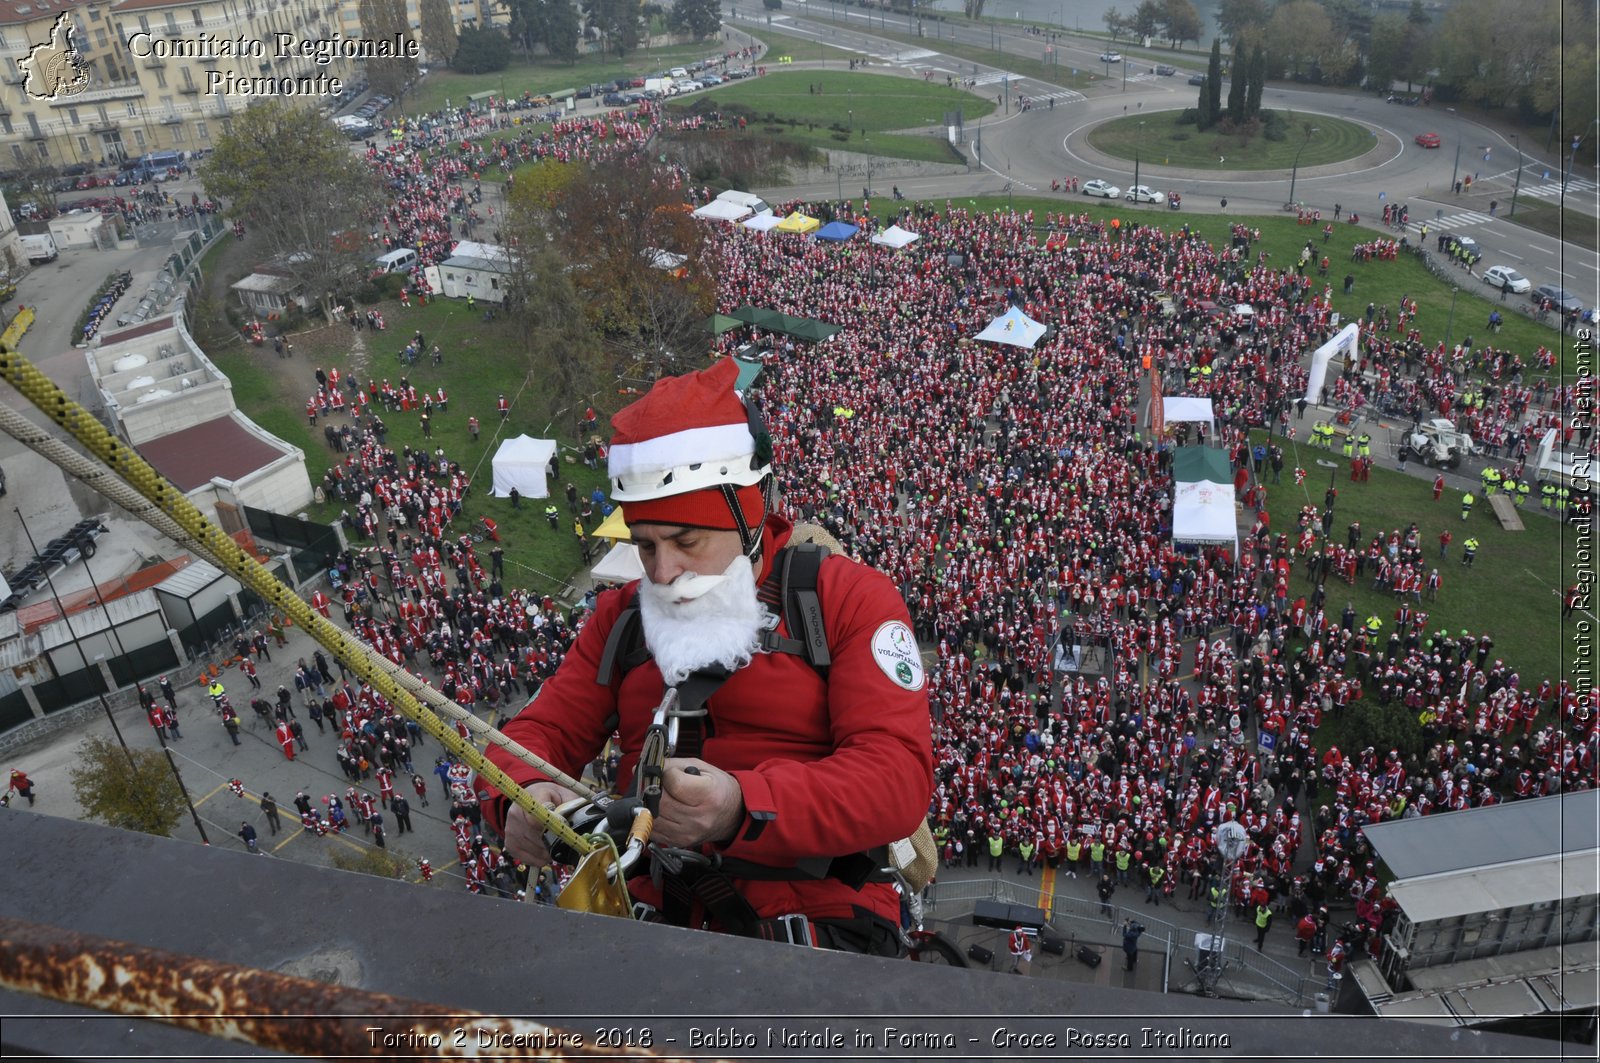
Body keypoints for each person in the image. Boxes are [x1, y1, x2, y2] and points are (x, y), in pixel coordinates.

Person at [479, 359, 933, 955]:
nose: (663, 573)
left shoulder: (846, 599)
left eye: (686, 542)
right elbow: (538, 731)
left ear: (747, 519)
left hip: (815, 925)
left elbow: (896, 777)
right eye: (645, 546)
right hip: (652, 918)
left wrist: (742, 806)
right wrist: (521, 793)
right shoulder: (621, 618)